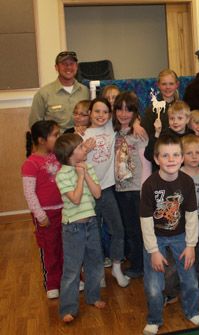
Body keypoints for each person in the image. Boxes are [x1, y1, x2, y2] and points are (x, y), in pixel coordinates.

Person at [140, 135, 199, 335]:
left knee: (190, 279)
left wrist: (190, 245)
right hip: (155, 237)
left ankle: (193, 311)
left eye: (176, 155)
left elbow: (191, 216)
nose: (171, 159)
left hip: (181, 237)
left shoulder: (186, 182)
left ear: (181, 158)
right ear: (156, 159)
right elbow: (145, 221)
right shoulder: (149, 185)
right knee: (154, 284)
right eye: (165, 155)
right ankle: (154, 319)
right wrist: (153, 251)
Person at [54, 133, 104, 323]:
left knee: (95, 263)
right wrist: (80, 176)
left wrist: (86, 173)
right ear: (70, 153)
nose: (85, 149)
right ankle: (68, 308)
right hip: (72, 228)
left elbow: (97, 194)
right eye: (82, 147)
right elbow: (74, 199)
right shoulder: (62, 174)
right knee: (72, 269)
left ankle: (93, 296)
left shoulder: (88, 166)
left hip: (90, 224)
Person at [83, 97, 129, 287]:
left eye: (104, 112)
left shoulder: (111, 127)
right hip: (88, 192)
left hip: (108, 189)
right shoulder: (82, 134)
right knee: (92, 234)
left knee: (117, 229)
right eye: (96, 111)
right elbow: (74, 159)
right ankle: (98, 271)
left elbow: (128, 117)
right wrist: (85, 150)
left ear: (109, 115)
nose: (101, 115)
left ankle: (117, 266)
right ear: (90, 113)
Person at [21, 120, 63, 299]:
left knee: (67, 246)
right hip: (46, 214)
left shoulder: (59, 155)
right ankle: (52, 282)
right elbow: (29, 193)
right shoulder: (31, 163)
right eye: (55, 135)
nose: (58, 138)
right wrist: (40, 215)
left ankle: (71, 278)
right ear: (41, 140)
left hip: (64, 210)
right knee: (50, 248)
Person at [113, 92, 149, 278]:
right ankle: (136, 262)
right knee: (129, 229)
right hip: (120, 189)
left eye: (129, 109)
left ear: (135, 112)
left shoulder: (139, 133)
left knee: (137, 230)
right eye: (120, 108)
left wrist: (144, 189)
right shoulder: (114, 133)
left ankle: (140, 266)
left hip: (136, 189)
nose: (124, 113)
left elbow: (147, 164)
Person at [180, 135, 199, 304]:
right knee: (186, 263)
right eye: (189, 153)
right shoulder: (177, 174)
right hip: (184, 230)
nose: (193, 156)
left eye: (198, 152)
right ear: (181, 155)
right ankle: (188, 290)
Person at [29, 51, 90, 132]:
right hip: (56, 143)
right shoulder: (43, 94)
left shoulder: (85, 91)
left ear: (76, 66)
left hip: (83, 142)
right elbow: (35, 126)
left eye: (71, 64)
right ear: (56, 67)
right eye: (64, 64)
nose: (68, 67)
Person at [141, 69, 180, 165]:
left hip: (179, 157)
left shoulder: (183, 108)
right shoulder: (152, 110)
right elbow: (146, 138)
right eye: (164, 84)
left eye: (171, 84)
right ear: (158, 85)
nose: (167, 87)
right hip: (160, 160)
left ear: (177, 85)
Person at [145, 100, 193, 170]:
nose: (175, 122)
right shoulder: (164, 135)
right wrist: (157, 133)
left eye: (179, 118)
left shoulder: (192, 136)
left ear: (187, 119)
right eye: (172, 118)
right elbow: (149, 155)